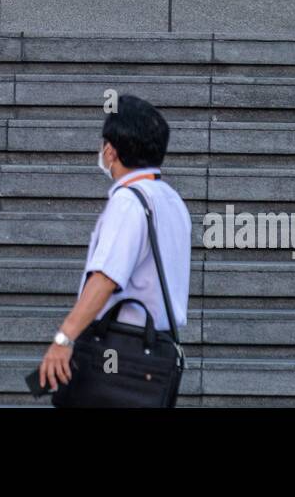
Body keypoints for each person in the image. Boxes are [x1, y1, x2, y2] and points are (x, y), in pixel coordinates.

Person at [37, 94, 192, 401]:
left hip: (120, 352)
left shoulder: (128, 202)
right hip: (154, 352)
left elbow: (106, 278)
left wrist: (63, 339)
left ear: (111, 150)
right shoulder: (172, 201)